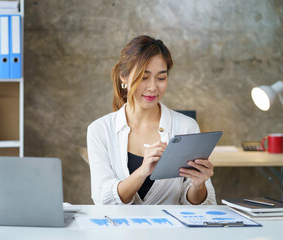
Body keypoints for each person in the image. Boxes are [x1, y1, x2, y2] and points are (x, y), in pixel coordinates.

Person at [87, 35, 216, 205]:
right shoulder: (100, 129)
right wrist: (142, 171)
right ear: (124, 77)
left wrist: (199, 185)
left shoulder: (186, 126)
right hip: (119, 230)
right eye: (144, 77)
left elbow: (199, 204)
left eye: (161, 78)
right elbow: (103, 199)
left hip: (171, 231)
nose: (153, 87)